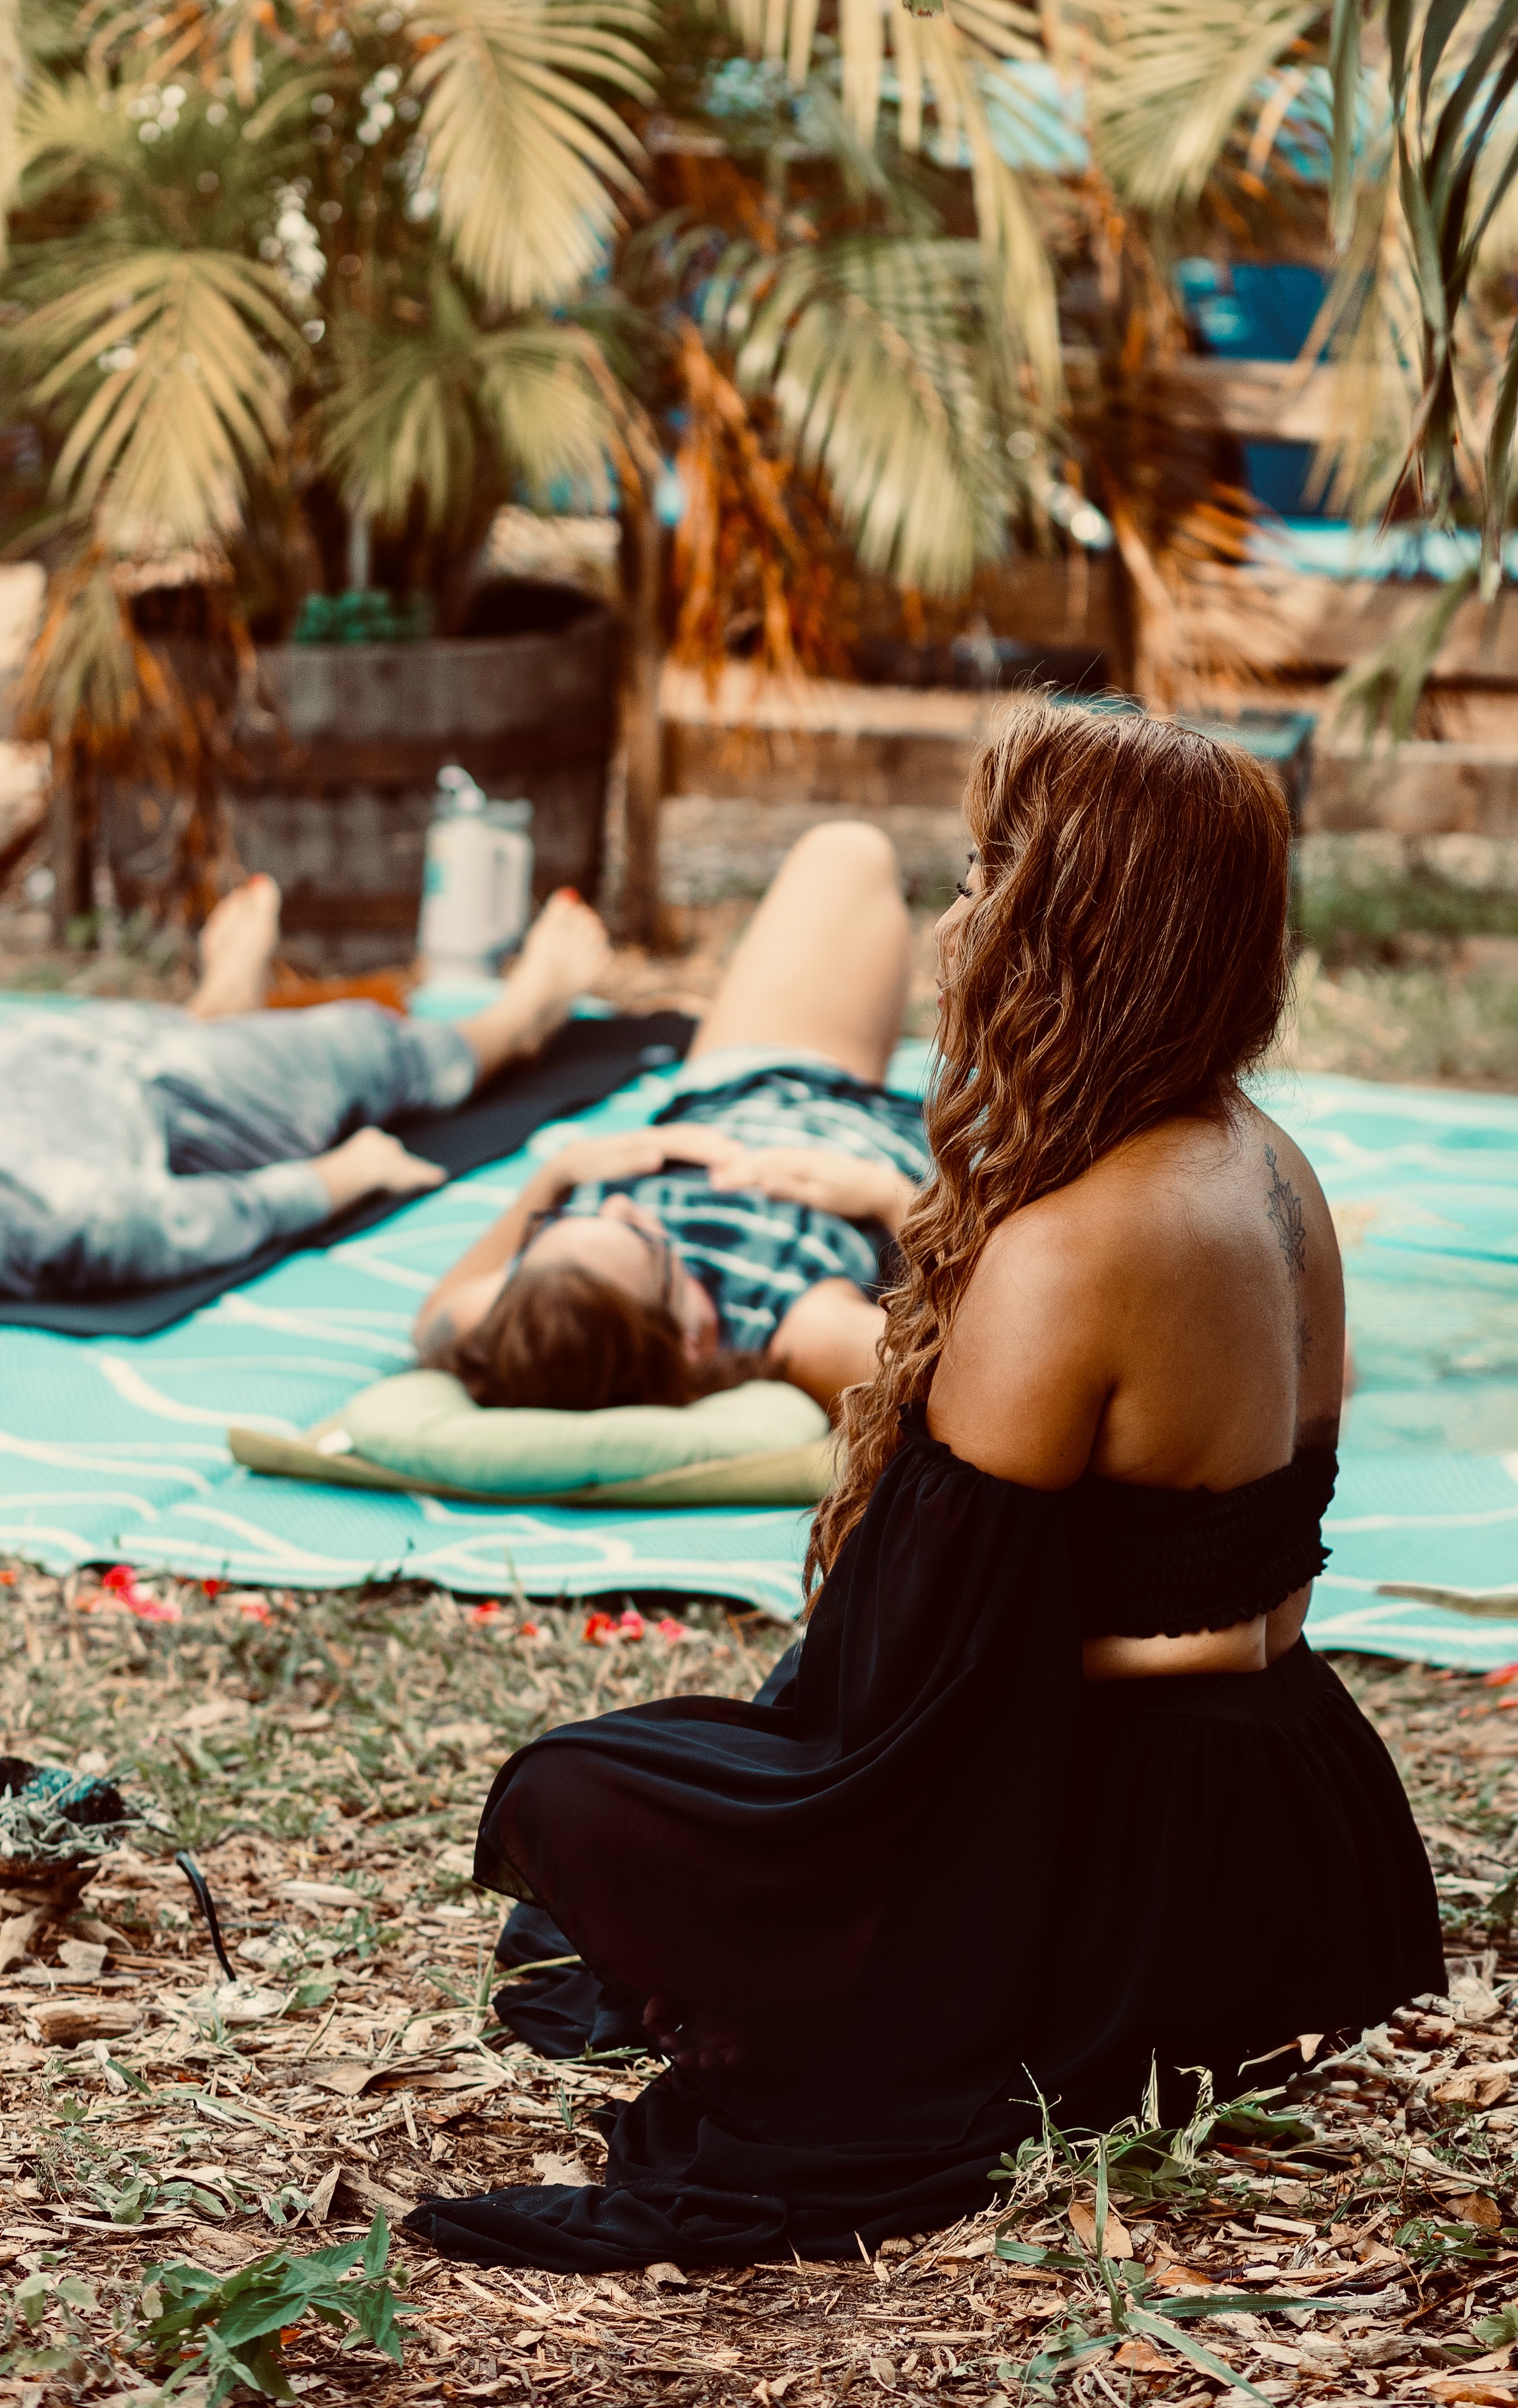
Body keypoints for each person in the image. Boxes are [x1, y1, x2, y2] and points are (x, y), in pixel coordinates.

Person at [405, 700, 1444, 2275]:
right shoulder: (1269, 1160)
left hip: (1128, 1878)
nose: (957, 919)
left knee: (572, 1789)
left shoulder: (1075, 1241)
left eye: (986, 877)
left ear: (1073, 927)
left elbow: (913, 1696)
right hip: (1311, 1835)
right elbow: (1233, 1568)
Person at [414, 822, 932, 1416]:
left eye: (553, 1228)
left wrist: (558, 1176)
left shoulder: (540, 1317)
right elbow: (968, 1380)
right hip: (902, 1145)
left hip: (741, 1085)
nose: (619, 1204)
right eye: (639, 1238)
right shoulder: (799, 1335)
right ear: (690, 1343)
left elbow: (437, 1317)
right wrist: (890, 1200)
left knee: (845, 853)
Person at [0, 875, 608, 1298]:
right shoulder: (60, 1213)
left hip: (55, 1061)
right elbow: (145, 1231)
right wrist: (337, 1177)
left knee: (139, 1046)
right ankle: (512, 1023)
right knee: (357, 1048)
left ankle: (218, 1009)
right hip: (149, 1098)